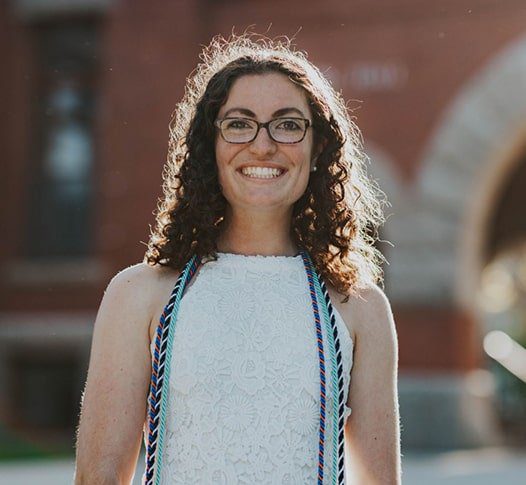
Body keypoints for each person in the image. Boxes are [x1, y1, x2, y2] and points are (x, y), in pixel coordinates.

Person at [74, 33, 401, 484]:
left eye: (287, 125)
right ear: (210, 145)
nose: (263, 146)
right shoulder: (140, 295)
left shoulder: (359, 307)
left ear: (318, 147)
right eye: (239, 123)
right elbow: (98, 479)